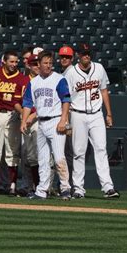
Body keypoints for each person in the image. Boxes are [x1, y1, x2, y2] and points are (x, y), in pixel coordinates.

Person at [64, 44, 120, 199]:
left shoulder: (99, 68)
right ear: (78, 55)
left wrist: (108, 113)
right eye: (83, 54)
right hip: (77, 114)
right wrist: (66, 119)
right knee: (78, 152)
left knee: (101, 149)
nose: (86, 56)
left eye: (88, 53)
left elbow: (104, 91)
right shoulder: (70, 73)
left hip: (96, 114)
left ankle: (108, 187)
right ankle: (78, 188)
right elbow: (66, 98)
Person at [20, 50, 71, 200]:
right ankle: (42, 190)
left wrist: (63, 120)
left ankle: (65, 188)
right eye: (45, 63)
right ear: (39, 64)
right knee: (42, 159)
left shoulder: (58, 79)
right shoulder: (33, 82)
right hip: (41, 122)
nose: (48, 66)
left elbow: (66, 100)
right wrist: (24, 120)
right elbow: (27, 103)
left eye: (50, 63)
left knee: (58, 158)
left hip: (56, 120)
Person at [0, 51, 28, 196]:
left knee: (12, 151)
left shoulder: (21, 78)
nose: (14, 64)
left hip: (13, 115)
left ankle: (12, 185)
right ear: (4, 61)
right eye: (12, 61)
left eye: (16, 62)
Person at [17, 48, 43, 196]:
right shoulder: (23, 80)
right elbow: (17, 102)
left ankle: (44, 185)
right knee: (28, 156)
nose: (36, 67)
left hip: (41, 120)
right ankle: (30, 186)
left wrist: (33, 116)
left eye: (38, 63)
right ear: (28, 65)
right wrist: (25, 117)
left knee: (43, 156)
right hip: (26, 121)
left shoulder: (47, 80)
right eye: (33, 64)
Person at [58, 45, 75, 187]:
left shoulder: (71, 73)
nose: (64, 59)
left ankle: (70, 184)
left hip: (71, 114)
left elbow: (68, 99)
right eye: (62, 56)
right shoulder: (63, 73)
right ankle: (67, 183)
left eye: (67, 57)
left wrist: (67, 121)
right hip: (65, 114)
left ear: (72, 58)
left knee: (69, 152)